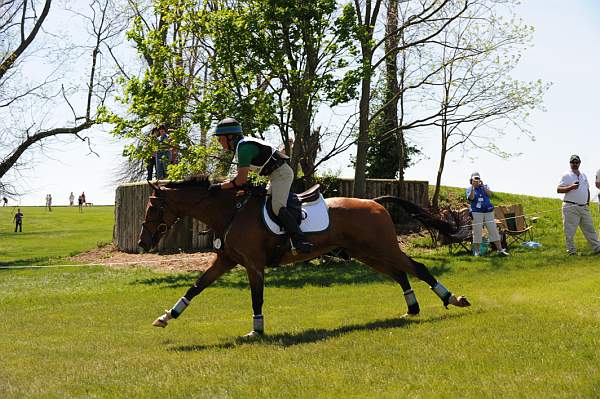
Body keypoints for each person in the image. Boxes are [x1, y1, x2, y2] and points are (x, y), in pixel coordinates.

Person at [210, 117, 313, 253]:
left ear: (230, 137)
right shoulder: (242, 145)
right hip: (275, 175)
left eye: (220, 138)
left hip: (282, 175)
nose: (219, 141)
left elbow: (240, 180)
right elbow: (239, 180)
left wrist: (218, 187)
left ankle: (301, 240)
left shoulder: (243, 148)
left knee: (277, 207)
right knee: (264, 205)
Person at [557, 155, 600, 255]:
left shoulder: (583, 175)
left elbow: (587, 189)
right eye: (573, 162)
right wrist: (571, 187)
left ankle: (597, 248)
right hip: (570, 207)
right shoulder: (566, 175)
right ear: (570, 163)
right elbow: (558, 189)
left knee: (590, 229)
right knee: (570, 231)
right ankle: (571, 252)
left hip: (584, 207)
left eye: (577, 162)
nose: (575, 164)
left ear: (580, 163)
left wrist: (587, 202)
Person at [466, 172, 509, 256]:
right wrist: (473, 187)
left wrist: (482, 186)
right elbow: (470, 198)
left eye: (478, 178)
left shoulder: (485, 186)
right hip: (476, 212)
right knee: (477, 231)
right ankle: (477, 252)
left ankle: (500, 250)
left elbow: (490, 194)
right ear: (471, 180)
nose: (477, 180)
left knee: (493, 230)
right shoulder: (469, 189)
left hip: (488, 212)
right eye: (475, 179)